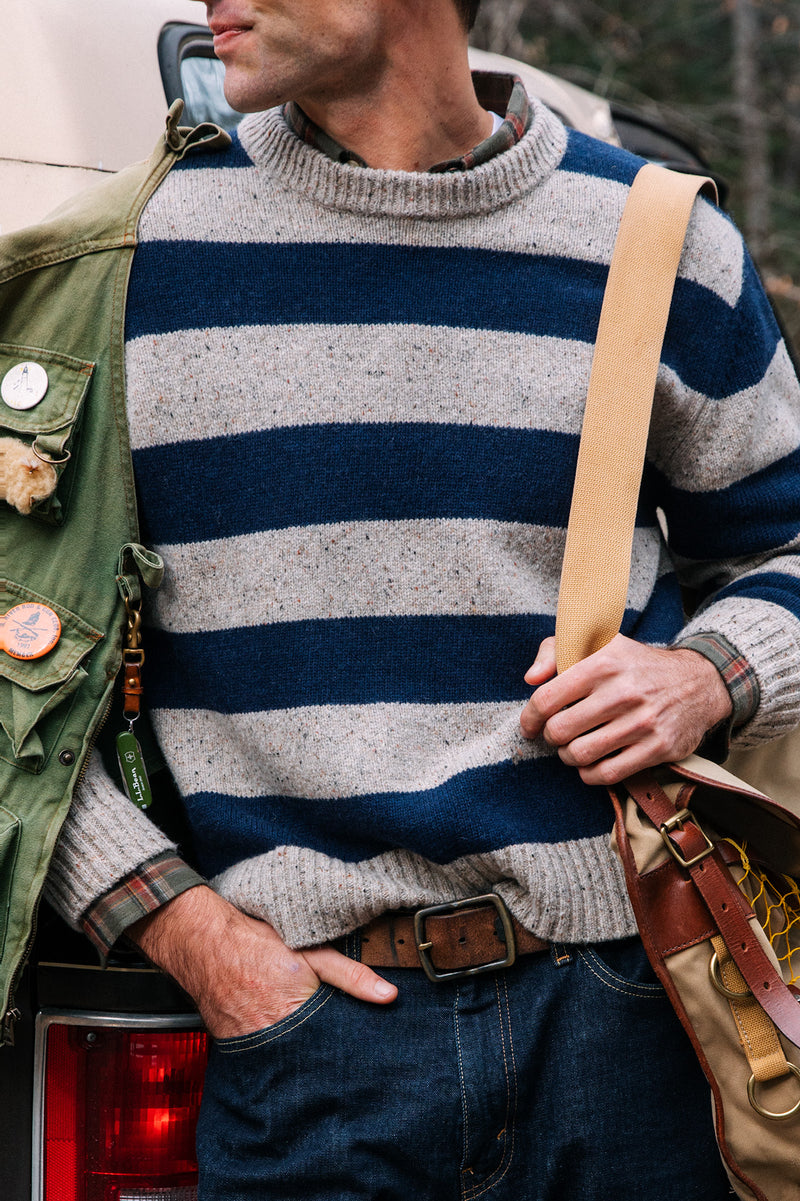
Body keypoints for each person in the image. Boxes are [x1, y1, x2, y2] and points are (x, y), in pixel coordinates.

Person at [28, 0, 800, 1196]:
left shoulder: (654, 240)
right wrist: (197, 940)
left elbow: (783, 548)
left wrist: (707, 677)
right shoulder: (126, 264)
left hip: (627, 1023)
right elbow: (16, 674)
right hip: (306, 1042)